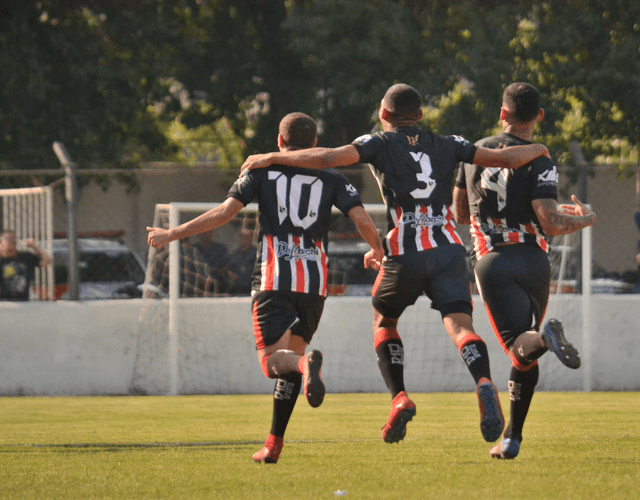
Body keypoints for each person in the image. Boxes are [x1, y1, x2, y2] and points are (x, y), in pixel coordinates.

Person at [239, 83, 552, 445]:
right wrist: (540, 149)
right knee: (460, 324)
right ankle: (483, 381)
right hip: (448, 249)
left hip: (404, 250)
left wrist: (271, 158)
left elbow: (325, 158)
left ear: (383, 115)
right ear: (419, 115)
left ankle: (399, 396)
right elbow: (508, 159)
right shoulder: (450, 142)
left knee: (384, 320)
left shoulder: (378, 142)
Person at [147, 112, 384, 464]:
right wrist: (378, 250)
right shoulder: (332, 177)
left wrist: (171, 234)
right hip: (314, 282)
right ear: (315, 145)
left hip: (274, 279)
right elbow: (363, 219)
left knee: (273, 362)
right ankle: (274, 444)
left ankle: (306, 368)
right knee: (289, 361)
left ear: (279, 142)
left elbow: (226, 213)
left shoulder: (261, 170)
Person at [453, 82, 597, 459]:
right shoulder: (541, 160)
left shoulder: (473, 154)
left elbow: (460, 214)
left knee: (521, 346)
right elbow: (548, 221)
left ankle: (544, 339)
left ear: (503, 114)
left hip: (493, 261)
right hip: (534, 261)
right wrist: (585, 219)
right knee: (524, 350)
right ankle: (512, 439)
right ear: (539, 117)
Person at [0, 230, 52, 301]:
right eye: (5, 251)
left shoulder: (26, 257)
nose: (7, 254)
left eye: (10, 251)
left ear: (15, 244)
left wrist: (35, 247)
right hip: (3, 301)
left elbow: (47, 261)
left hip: (23, 301)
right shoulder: (2, 259)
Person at [226, 225, 258, 295]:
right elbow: (229, 268)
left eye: (247, 237)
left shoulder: (256, 253)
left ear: (251, 238)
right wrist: (231, 274)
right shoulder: (235, 253)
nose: (244, 239)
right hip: (237, 287)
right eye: (242, 237)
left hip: (252, 286)